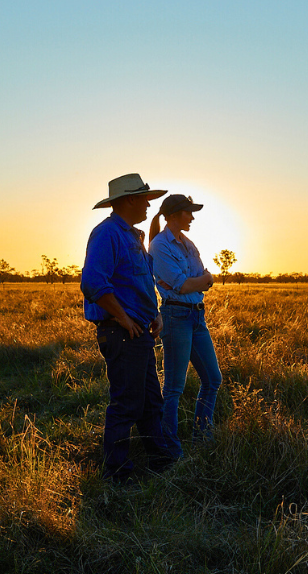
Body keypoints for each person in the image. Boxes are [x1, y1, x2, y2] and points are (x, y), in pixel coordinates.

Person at [81, 173, 178, 484]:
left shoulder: (131, 236)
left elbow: (141, 283)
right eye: (145, 199)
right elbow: (94, 283)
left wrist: (155, 314)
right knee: (126, 404)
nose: (149, 206)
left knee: (151, 401)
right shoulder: (107, 233)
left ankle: (160, 460)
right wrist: (123, 318)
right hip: (122, 332)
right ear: (130, 200)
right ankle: (117, 475)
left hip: (139, 331)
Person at [148, 194, 221, 458]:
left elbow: (199, 280)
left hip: (196, 316)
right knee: (174, 388)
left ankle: (202, 437)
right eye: (188, 212)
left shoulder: (188, 244)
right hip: (176, 316)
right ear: (175, 214)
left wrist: (201, 280)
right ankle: (170, 448)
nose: (192, 217)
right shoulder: (159, 245)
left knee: (213, 379)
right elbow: (184, 284)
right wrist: (203, 280)